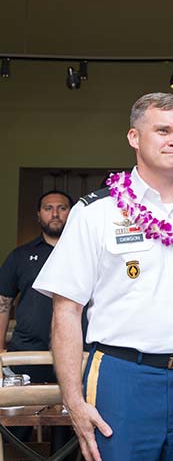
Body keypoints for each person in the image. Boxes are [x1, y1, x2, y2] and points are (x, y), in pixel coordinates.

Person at [33, 92, 173, 461]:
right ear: (134, 138)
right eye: (163, 130)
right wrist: (72, 398)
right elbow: (66, 309)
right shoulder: (96, 213)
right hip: (122, 377)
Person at [0, 190, 73, 451]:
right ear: (38, 214)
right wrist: (0, 350)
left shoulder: (86, 253)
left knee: (69, 426)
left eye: (62, 208)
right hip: (27, 355)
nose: (55, 213)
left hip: (78, 354)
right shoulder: (20, 256)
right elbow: (3, 303)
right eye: (48, 208)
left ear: (72, 213)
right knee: (16, 427)